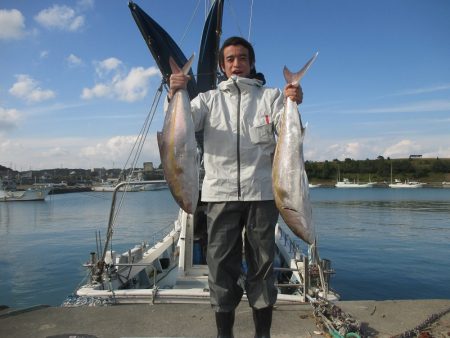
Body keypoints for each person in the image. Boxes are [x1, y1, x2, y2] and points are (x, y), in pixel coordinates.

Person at [168, 36, 302, 338]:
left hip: (263, 195)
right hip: (219, 194)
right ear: (222, 66)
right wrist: (174, 91)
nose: (237, 63)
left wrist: (294, 99)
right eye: (230, 59)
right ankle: (224, 335)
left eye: (242, 57)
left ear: (251, 62)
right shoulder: (207, 101)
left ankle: (262, 334)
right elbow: (182, 122)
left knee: (264, 265)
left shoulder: (272, 97)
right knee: (219, 266)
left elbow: (286, 130)